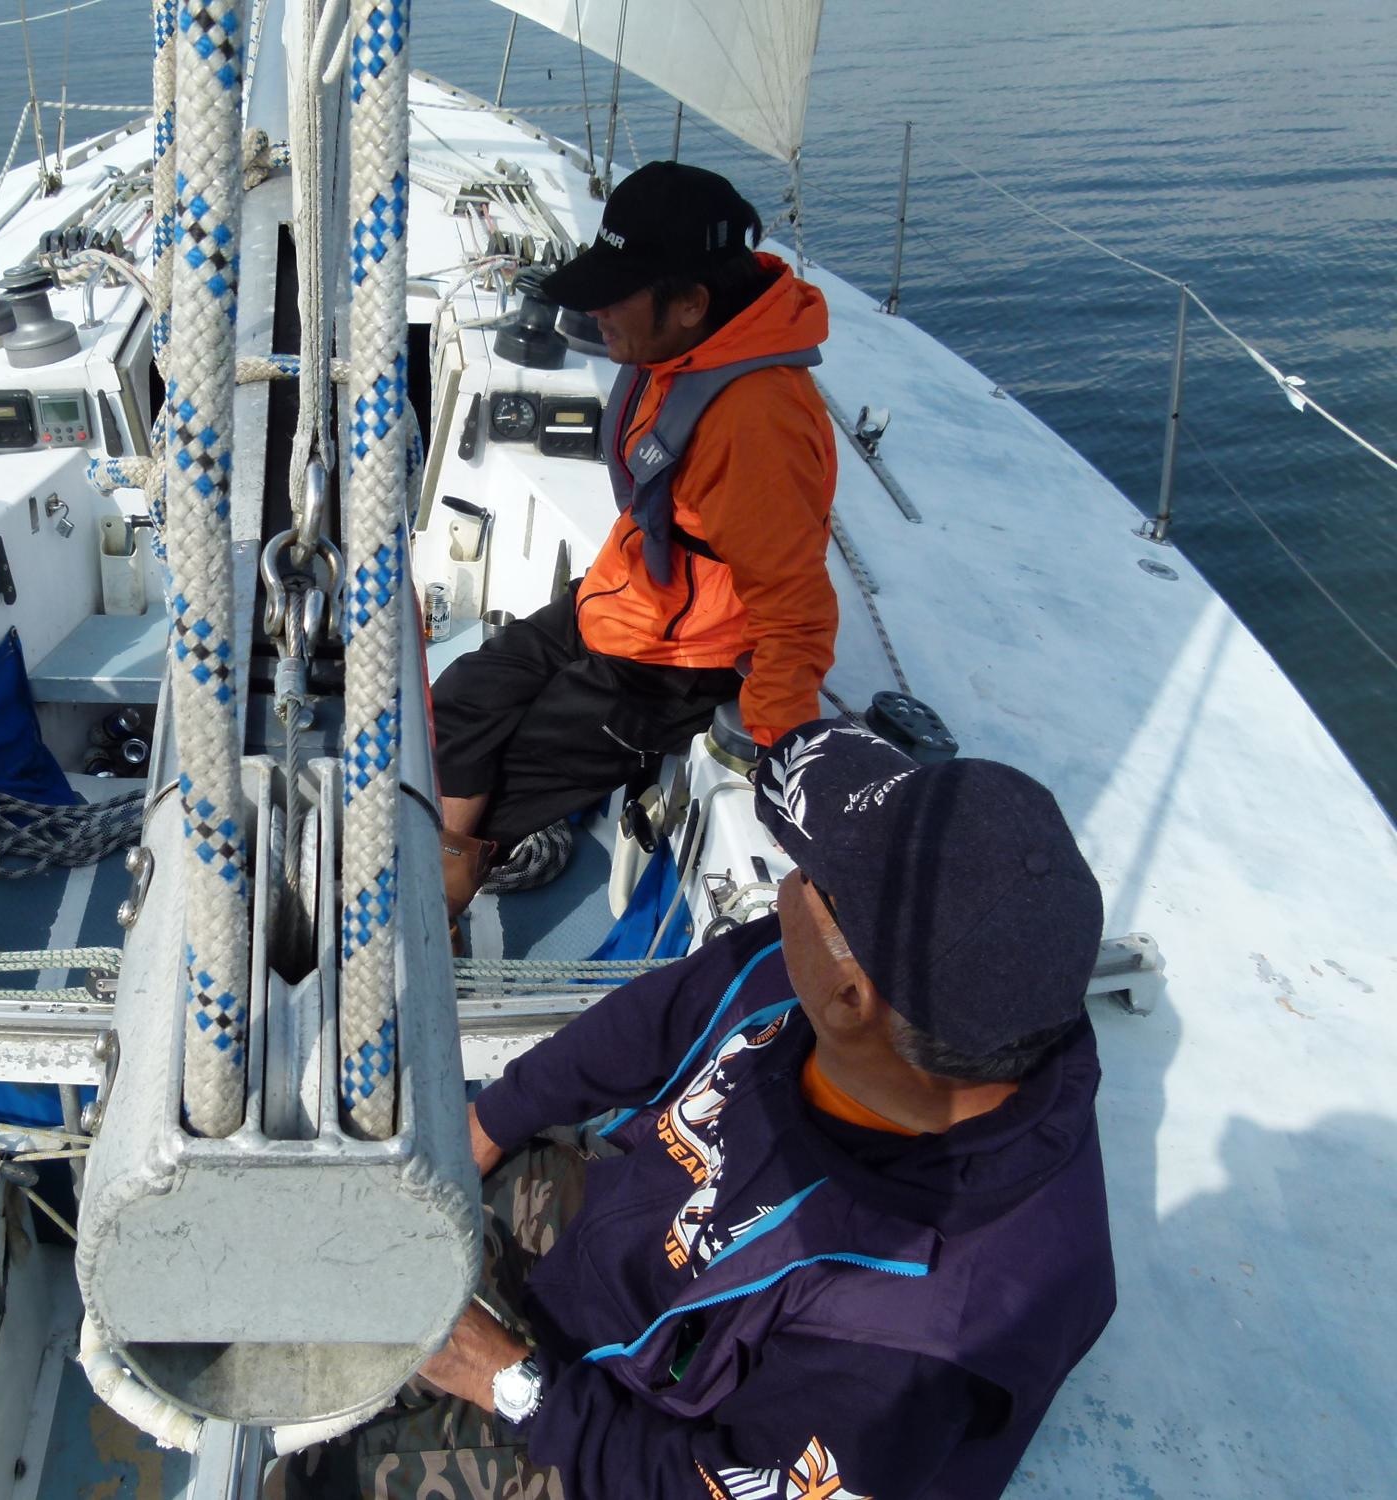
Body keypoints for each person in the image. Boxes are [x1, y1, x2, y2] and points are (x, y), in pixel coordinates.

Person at [276, 722, 1116, 1500]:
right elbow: (655, 1019)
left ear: (850, 997)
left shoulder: (923, 1339)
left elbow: (715, 1486)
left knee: (303, 1487)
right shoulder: (896, 988)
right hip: (623, 1237)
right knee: (345, 1257)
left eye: (810, 877)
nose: (785, 884)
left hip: (641, 1435)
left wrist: (509, 1381)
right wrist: (491, 1121)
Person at [433, 162, 839, 921]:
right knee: (456, 703)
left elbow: (796, 609)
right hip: (618, 603)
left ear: (690, 303)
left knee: (514, 776)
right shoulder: (685, 349)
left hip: (680, 665)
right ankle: (448, 866)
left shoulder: (757, 425)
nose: (596, 310)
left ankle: (438, 906)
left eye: (617, 291)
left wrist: (780, 753)